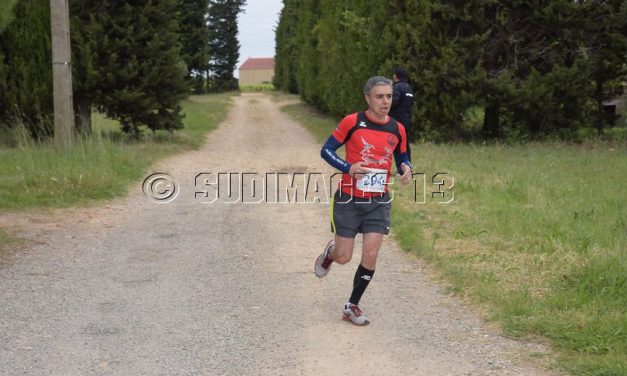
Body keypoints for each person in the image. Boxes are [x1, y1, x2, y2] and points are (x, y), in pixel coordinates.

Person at [315, 76, 413, 326]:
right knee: (344, 257)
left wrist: (406, 167)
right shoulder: (352, 122)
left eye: (389, 96)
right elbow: (326, 150)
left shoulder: (398, 128)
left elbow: (403, 155)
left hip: (378, 200)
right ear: (368, 98)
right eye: (379, 96)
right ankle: (331, 252)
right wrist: (348, 168)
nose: (385, 101)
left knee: (371, 252)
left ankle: (352, 305)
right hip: (348, 199)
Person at [389, 67, 415, 162]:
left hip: (395, 121)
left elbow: (394, 102)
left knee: (390, 144)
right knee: (405, 145)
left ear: (396, 76)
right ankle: (407, 166)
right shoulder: (408, 88)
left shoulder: (396, 87)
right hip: (406, 120)